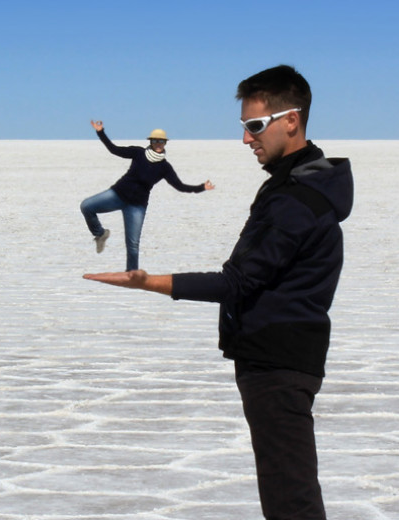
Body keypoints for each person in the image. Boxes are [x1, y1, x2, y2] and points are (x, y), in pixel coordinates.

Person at [83, 65, 352, 520]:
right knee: (288, 491)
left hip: (278, 362)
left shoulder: (294, 198)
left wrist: (146, 282)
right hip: (282, 354)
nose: (247, 140)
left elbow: (236, 282)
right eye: (244, 127)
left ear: (291, 120)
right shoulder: (303, 184)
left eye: (254, 126)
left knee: (291, 498)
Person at [80, 121, 214, 271]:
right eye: (155, 141)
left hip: (136, 206)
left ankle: (132, 275)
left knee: (133, 244)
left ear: (165, 143)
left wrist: (202, 187)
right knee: (86, 206)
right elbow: (114, 150)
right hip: (117, 194)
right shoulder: (138, 153)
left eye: (161, 141)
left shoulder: (164, 167)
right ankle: (100, 234)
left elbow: (180, 186)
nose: (158, 144)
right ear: (150, 141)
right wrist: (101, 132)